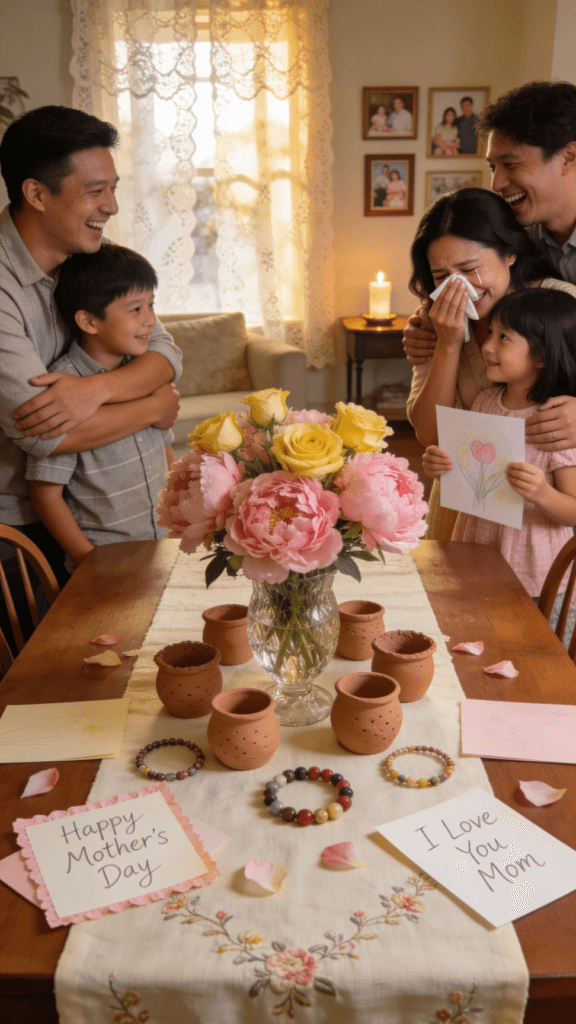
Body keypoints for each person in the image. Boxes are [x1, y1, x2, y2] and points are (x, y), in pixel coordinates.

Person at [0, 105, 181, 582]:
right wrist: (152, 406)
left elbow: (164, 354)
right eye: (95, 191)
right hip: (14, 522)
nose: (112, 207)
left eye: (113, 188)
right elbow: (46, 434)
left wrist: (94, 390)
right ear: (37, 194)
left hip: (89, 510)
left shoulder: (90, 255)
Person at [404, 80, 576, 453]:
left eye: (510, 164)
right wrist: (436, 338)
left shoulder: (553, 293)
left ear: (568, 157)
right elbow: (429, 435)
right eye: (492, 166)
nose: (497, 182)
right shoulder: (521, 233)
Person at [406, 188, 576, 538]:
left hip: (542, 519)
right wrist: (448, 345)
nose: (459, 288)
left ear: (509, 254)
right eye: (442, 276)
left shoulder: (558, 305)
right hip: (466, 510)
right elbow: (431, 434)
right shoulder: (434, 319)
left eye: (470, 269)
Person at [25, 243, 175, 571]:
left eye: (151, 305)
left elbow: (165, 451)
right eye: (135, 309)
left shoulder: (144, 374)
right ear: (89, 321)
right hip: (108, 564)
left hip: (164, 547)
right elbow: (45, 496)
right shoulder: (63, 391)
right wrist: (87, 561)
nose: (151, 321)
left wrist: (179, 516)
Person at [422, 289, 576, 601]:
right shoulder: (484, 401)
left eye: (503, 338)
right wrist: (442, 468)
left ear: (542, 355)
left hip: (536, 579)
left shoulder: (554, 422)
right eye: (490, 333)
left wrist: (542, 494)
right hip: (475, 560)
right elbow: (470, 475)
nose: (487, 346)